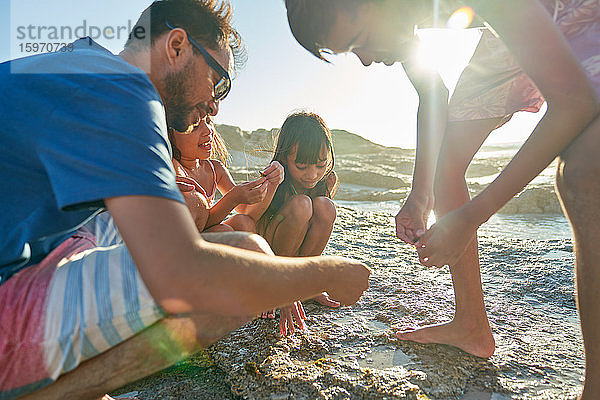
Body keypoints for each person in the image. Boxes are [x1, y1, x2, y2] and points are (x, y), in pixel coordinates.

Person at [0, 1, 370, 399]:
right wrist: (327, 272)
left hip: (28, 256)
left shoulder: (79, 64)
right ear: (176, 46)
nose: (215, 104)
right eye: (218, 80)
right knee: (246, 258)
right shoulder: (125, 93)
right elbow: (182, 272)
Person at [284, 0, 599, 398]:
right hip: (509, 30)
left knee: (584, 174)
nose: (365, 61)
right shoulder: (397, 21)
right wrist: (420, 196)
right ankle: (471, 325)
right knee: (448, 160)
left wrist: (470, 218)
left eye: (361, 41)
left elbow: (574, 102)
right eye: (352, 52)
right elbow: (433, 91)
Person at [256, 111, 341, 336]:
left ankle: (304, 283)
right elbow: (249, 221)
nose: (312, 175)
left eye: (320, 165)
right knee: (302, 205)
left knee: (325, 206)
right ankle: (281, 285)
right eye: (302, 166)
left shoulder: (327, 180)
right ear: (284, 157)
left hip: (296, 262)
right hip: (270, 260)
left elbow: (316, 227)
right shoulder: (275, 178)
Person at [169, 115, 284, 233]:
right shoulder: (174, 169)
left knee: (244, 222)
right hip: (186, 239)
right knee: (222, 229)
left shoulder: (215, 169)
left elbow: (245, 210)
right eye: (195, 125)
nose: (208, 131)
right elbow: (196, 225)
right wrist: (232, 199)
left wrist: (272, 183)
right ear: (169, 134)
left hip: (204, 233)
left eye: (209, 122)